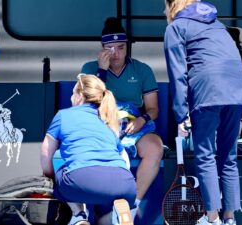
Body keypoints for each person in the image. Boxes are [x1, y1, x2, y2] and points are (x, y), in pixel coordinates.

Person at [163, 1, 242, 225]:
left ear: (170, 4)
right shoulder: (216, 23)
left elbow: (177, 74)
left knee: (205, 155)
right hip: (238, 90)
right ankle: (229, 218)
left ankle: (212, 218)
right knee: (228, 157)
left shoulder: (176, 27)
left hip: (208, 90)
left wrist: (181, 114)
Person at [81, 17, 164, 218]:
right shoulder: (90, 69)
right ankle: (105, 211)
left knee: (155, 147)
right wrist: (101, 71)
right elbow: (89, 104)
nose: (116, 53)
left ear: (127, 48)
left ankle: (132, 205)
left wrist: (141, 120)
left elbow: (153, 109)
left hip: (133, 124)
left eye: (121, 47)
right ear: (102, 49)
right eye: (110, 48)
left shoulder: (142, 69)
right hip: (102, 125)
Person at [40, 74, 136, 225]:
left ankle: (79, 215)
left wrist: (50, 177)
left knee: (61, 168)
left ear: (79, 96)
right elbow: (123, 156)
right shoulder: (107, 120)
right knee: (103, 219)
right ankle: (115, 218)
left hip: (80, 181)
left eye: (73, 93)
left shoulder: (63, 115)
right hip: (125, 184)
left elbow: (46, 152)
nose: (71, 97)